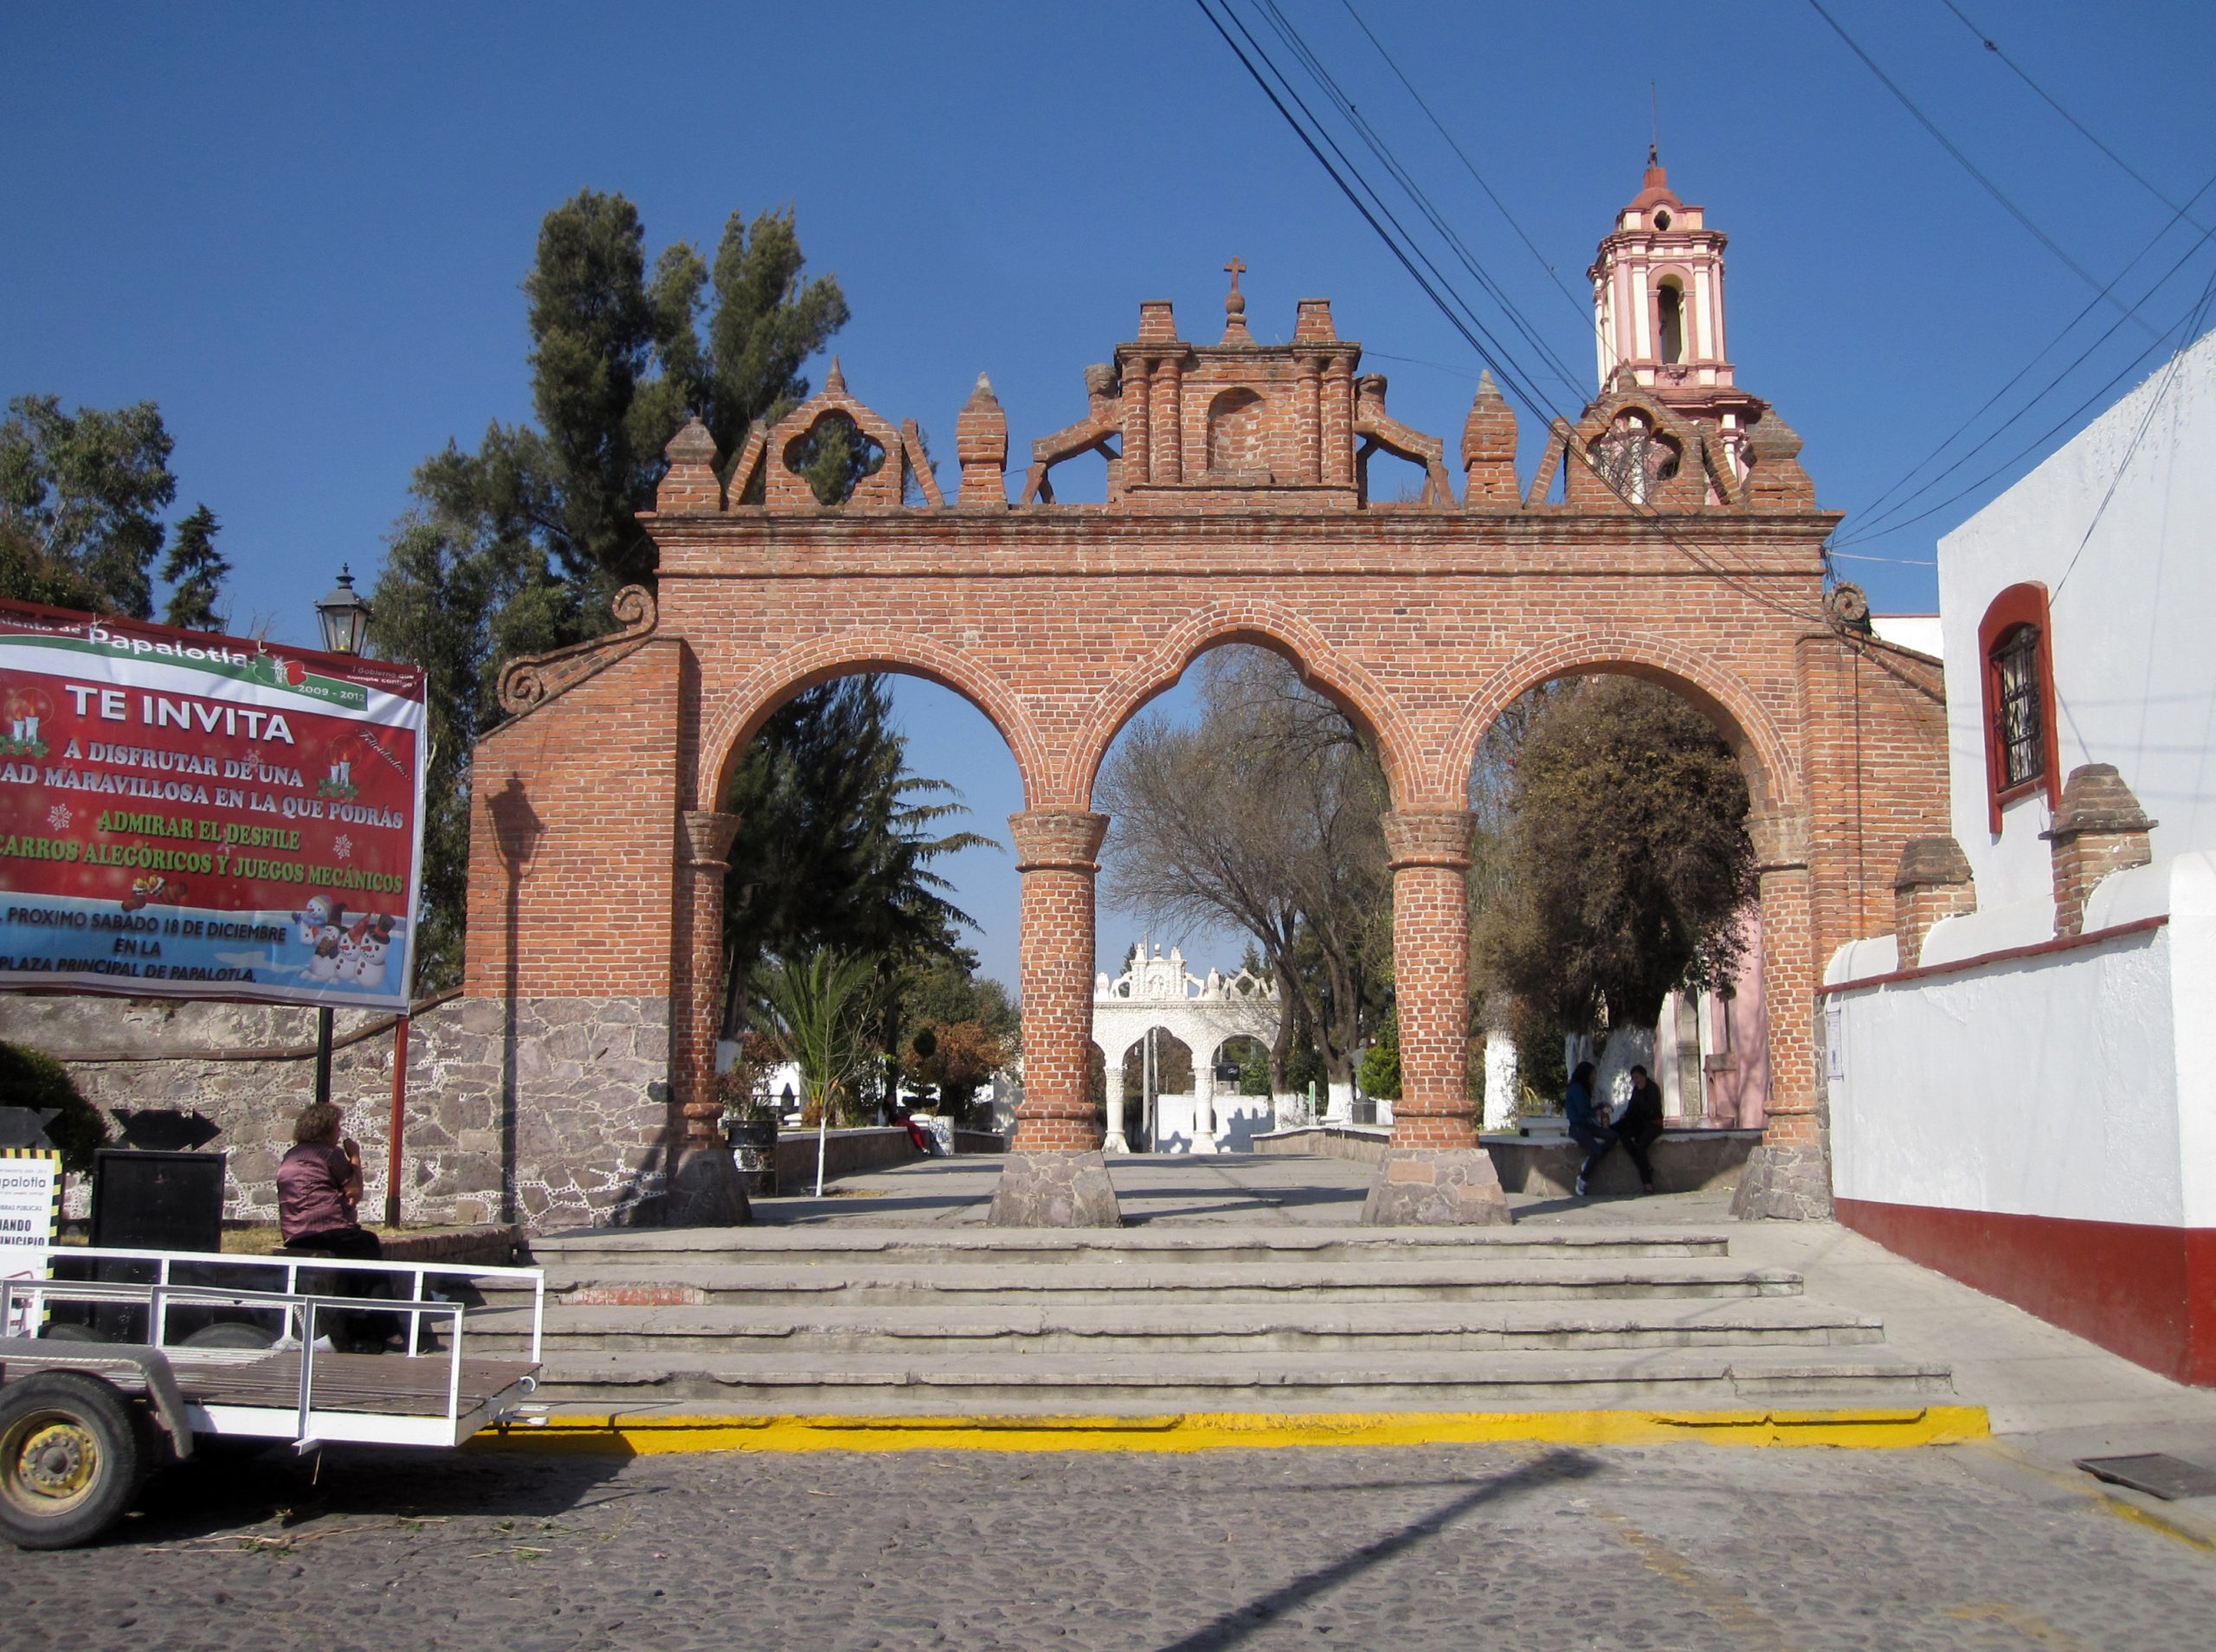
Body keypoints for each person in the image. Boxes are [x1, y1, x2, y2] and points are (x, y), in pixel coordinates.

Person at [276, 1102, 400, 1350]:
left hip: (295, 1233)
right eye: (336, 1127)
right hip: (328, 1229)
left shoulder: (291, 1155)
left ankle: (359, 1329)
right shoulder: (329, 1153)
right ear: (325, 1130)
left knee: (354, 1262)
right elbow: (354, 1192)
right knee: (368, 1248)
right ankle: (388, 1330)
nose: (339, 1133)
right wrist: (354, 1155)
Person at [1564, 1060, 1615, 1196]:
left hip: (1587, 1125)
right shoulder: (1576, 1089)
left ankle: (1589, 1161)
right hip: (1577, 1128)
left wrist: (1600, 1106)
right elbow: (1582, 1111)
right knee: (1596, 1150)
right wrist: (1596, 1112)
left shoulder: (1583, 1089)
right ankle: (1582, 1178)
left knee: (1613, 1136)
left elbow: (1587, 1110)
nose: (1594, 1078)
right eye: (1593, 1074)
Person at [1618, 1064, 1665, 1195]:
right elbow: (1631, 1108)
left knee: (1641, 1147)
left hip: (1653, 1124)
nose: (1636, 1081)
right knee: (1624, 1136)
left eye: (1637, 1077)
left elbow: (1651, 1109)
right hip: (1640, 1124)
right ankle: (1644, 1165)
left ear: (1644, 1076)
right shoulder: (1636, 1090)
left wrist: (1639, 1107)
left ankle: (1647, 1184)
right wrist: (1626, 1116)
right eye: (1633, 1078)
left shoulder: (1652, 1089)